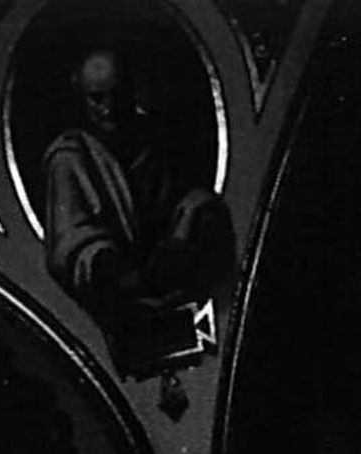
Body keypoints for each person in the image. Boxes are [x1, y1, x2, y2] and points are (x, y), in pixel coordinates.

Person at [41, 46, 231, 370]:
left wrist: (184, 231)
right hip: (120, 290)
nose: (109, 109)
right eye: (96, 98)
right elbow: (71, 241)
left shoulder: (157, 137)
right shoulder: (70, 158)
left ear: (131, 90)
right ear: (82, 98)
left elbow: (187, 199)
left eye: (116, 95)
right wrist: (120, 273)